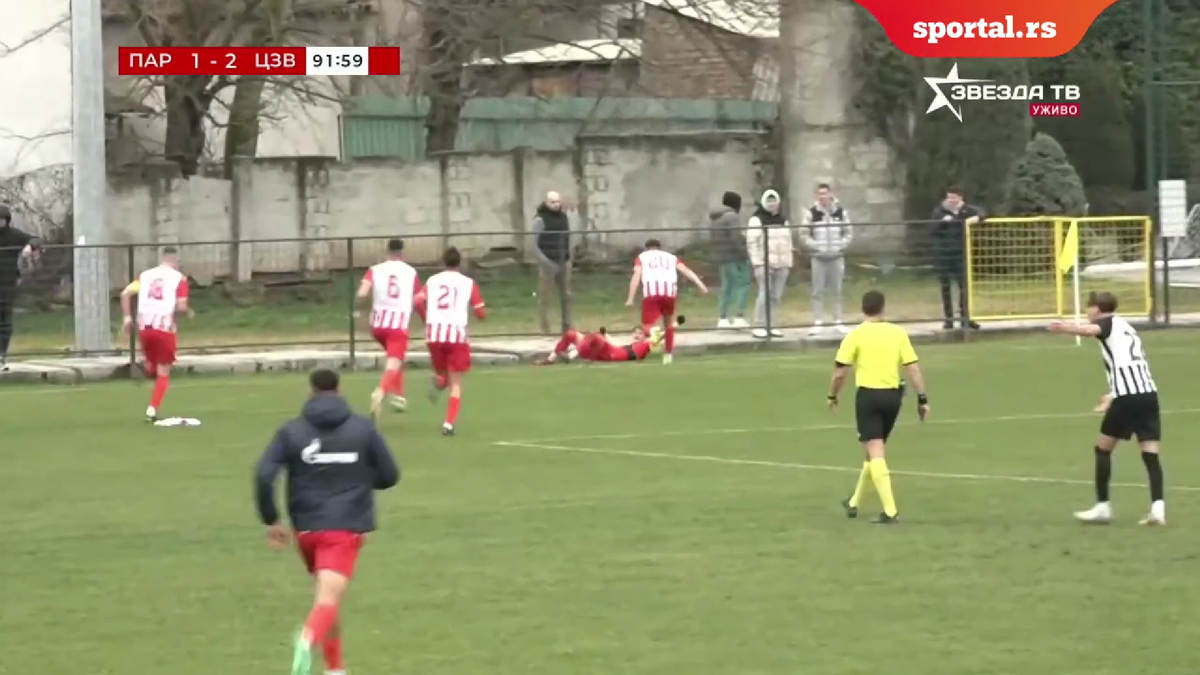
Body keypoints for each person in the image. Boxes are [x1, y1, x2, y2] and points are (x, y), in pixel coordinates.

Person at [253, 368, 400, 675]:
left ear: (311, 392)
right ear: (340, 389)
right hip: (344, 527)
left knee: (327, 599)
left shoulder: (291, 431)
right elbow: (389, 475)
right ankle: (308, 639)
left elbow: (264, 475)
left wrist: (271, 519)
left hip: (306, 528)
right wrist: (358, 480)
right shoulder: (362, 428)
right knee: (328, 599)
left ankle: (335, 669)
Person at [1049, 292, 1165, 526]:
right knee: (1150, 454)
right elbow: (1127, 364)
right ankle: (1158, 509)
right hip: (1148, 396)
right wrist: (1112, 394)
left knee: (1102, 449)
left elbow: (1091, 330)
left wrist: (1066, 328)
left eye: (1089, 307)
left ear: (1097, 309)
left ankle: (1103, 507)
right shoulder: (1126, 327)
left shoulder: (1107, 323)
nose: (1087, 312)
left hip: (1128, 398)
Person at [827, 290, 929, 525]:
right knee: (872, 451)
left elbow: (840, 372)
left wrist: (832, 395)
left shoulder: (855, 335)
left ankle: (890, 511)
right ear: (883, 308)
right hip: (893, 398)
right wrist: (922, 398)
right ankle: (854, 502)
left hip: (869, 397)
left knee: (875, 451)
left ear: (862, 309)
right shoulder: (897, 333)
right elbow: (913, 368)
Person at [416, 247, 486, 436]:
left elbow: (418, 301)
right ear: (460, 263)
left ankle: (439, 382)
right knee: (456, 382)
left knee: (444, 377)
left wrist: (426, 318)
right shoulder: (469, 283)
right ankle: (448, 423)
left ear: (443, 262)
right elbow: (480, 313)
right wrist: (481, 312)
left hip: (434, 335)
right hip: (457, 337)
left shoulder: (432, 280)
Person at [120, 247, 191, 421]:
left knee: (152, 362)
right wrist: (187, 311)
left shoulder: (145, 276)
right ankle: (152, 409)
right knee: (163, 371)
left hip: (145, 328)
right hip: (164, 328)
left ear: (161, 259)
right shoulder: (179, 279)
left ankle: (148, 370)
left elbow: (125, 293)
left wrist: (127, 318)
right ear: (176, 260)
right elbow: (181, 306)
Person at [357, 238, 420, 419]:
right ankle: (381, 391)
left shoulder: (375, 269)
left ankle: (399, 396)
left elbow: (362, 292)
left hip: (378, 326)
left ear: (387, 252)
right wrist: (425, 317)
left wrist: (361, 313)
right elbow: (418, 299)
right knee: (394, 361)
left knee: (396, 357)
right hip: (397, 326)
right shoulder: (410, 272)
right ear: (402, 253)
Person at [625, 238, 708, 365]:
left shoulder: (642, 257)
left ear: (647, 248)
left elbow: (636, 275)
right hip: (669, 294)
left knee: (647, 326)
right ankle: (668, 355)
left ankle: (644, 348)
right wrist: (701, 285)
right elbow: (686, 270)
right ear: (659, 248)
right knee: (669, 324)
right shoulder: (670, 257)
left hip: (652, 294)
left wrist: (631, 297)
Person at [801, 183, 852, 336]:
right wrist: (816, 246)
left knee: (837, 290)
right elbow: (803, 234)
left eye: (825, 193)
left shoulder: (841, 212)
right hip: (818, 258)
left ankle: (838, 321)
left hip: (836, 257)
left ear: (831, 194)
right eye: (820, 194)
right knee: (817, 291)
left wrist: (840, 246)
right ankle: (818, 322)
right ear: (817, 196)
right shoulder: (811, 213)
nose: (822, 196)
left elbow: (848, 233)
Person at [930, 187, 983, 331]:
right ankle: (949, 320)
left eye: (953, 197)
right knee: (945, 287)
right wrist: (942, 222)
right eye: (948, 197)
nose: (950, 200)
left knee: (964, 287)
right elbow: (931, 229)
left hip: (960, 255)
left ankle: (966, 318)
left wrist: (977, 218)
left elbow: (983, 213)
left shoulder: (967, 210)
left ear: (960, 197)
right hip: (943, 255)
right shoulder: (940, 211)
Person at [745, 189, 794, 339]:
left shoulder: (783, 220)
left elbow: (788, 242)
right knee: (764, 294)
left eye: (774, 201)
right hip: (764, 263)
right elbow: (752, 243)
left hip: (782, 263)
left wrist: (788, 261)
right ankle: (759, 325)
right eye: (769, 201)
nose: (772, 204)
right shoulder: (757, 220)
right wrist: (757, 262)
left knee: (776, 296)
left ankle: (772, 324)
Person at [537, 317, 684, 365]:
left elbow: (664, 333)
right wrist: (605, 334)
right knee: (571, 334)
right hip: (606, 352)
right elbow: (614, 344)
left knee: (594, 337)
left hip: (611, 355)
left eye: (640, 333)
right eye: (635, 332)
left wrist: (677, 323)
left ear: (645, 336)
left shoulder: (647, 343)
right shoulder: (630, 344)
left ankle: (571, 355)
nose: (637, 335)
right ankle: (550, 360)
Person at [0, 204, 39, 370]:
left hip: (7, 282)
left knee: (5, 319)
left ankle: (2, 354)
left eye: (1, 220)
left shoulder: (14, 235)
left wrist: (30, 246)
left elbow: (35, 239)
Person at [531, 191, 572, 335]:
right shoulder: (540, 220)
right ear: (546, 203)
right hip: (547, 262)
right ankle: (545, 329)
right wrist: (545, 262)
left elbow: (567, 238)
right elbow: (533, 244)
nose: (556, 205)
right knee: (545, 297)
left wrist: (568, 257)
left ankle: (567, 327)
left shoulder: (564, 217)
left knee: (567, 295)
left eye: (558, 201)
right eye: (552, 202)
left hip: (563, 261)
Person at [710, 191, 751, 330]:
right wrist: (744, 253)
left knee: (726, 287)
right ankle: (739, 316)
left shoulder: (716, 218)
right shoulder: (732, 216)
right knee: (743, 283)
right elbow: (735, 237)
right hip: (734, 256)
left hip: (721, 257)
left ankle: (723, 318)